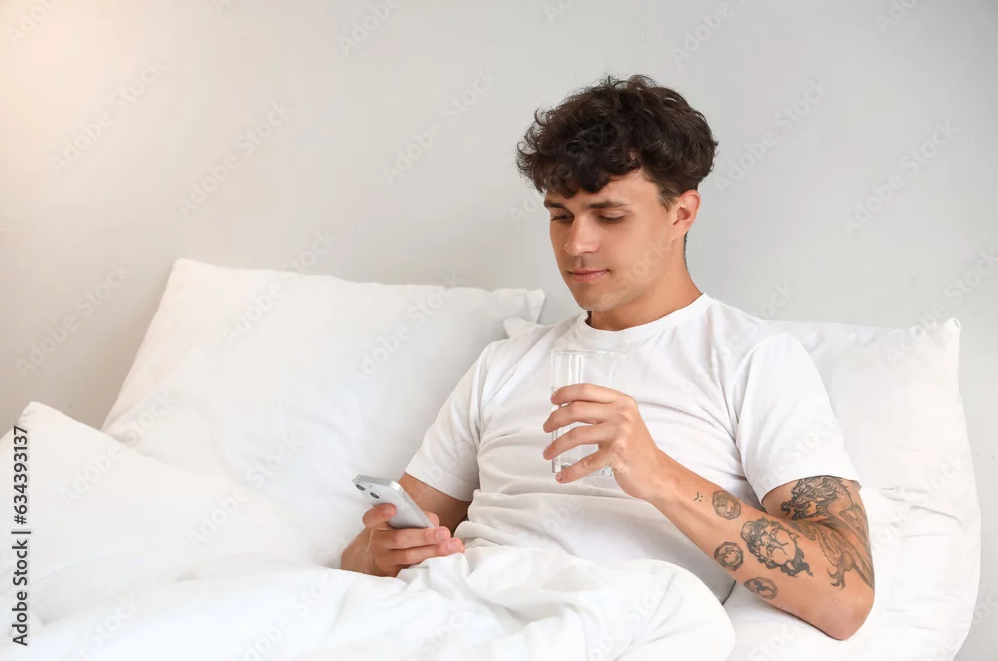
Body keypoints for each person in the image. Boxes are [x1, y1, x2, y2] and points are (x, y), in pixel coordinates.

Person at [340, 74, 874, 641]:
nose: (577, 245)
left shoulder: (753, 359)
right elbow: (360, 556)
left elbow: (844, 599)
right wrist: (379, 554)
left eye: (609, 216)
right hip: (455, 609)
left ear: (681, 213)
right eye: (560, 215)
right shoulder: (504, 364)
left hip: (608, 626)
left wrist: (658, 474)